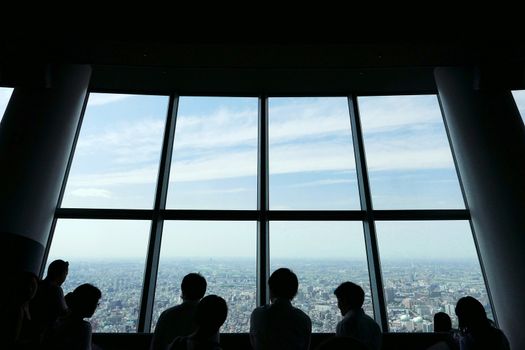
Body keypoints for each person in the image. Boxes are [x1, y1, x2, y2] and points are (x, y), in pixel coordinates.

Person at [250, 268, 312, 350]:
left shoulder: (257, 315)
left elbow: (254, 343)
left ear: (271, 290)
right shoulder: (303, 319)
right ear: (295, 292)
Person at [151, 273, 207, 350]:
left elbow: (155, 346)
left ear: (182, 290)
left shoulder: (167, 315)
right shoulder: (207, 318)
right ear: (203, 293)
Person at [44, 283, 102, 350]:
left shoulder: (58, 321)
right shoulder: (84, 327)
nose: (96, 307)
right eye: (96, 303)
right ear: (89, 304)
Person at [28, 259, 69, 343]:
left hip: (31, 330)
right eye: (65, 274)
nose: (65, 278)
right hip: (44, 335)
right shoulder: (56, 289)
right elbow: (65, 313)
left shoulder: (37, 285)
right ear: (61, 274)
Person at [333, 281, 382, 350]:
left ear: (345, 301)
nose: (338, 305)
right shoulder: (373, 324)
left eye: (339, 301)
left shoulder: (344, 325)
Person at [0, 270, 38, 348]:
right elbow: (12, 341)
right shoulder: (18, 309)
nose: (30, 289)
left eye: (33, 285)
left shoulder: (25, 306)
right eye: (28, 285)